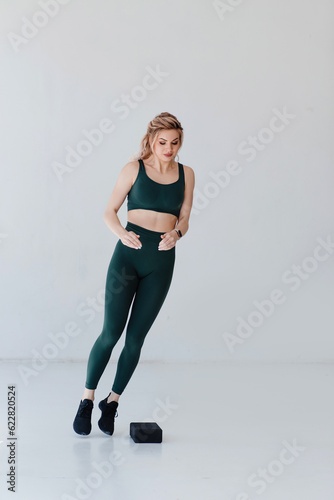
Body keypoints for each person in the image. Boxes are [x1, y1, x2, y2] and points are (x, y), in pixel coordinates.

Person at [73, 111, 195, 436]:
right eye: (162, 142)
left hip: (161, 262)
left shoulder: (187, 174)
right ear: (152, 141)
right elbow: (108, 211)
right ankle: (87, 399)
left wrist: (178, 234)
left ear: (180, 142)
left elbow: (184, 217)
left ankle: (111, 402)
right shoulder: (134, 169)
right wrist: (121, 234)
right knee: (110, 334)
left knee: (136, 339)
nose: (168, 148)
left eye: (174, 142)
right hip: (128, 256)